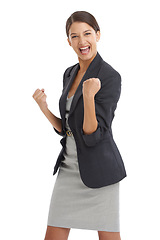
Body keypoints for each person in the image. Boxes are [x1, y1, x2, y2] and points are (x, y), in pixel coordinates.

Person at [32, 11, 127, 240]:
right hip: (69, 168)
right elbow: (67, 128)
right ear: (68, 41)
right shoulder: (70, 73)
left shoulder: (110, 76)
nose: (82, 41)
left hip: (99, 171)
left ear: (98, 35)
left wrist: (88, 98)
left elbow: (93, 135)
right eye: (74, 36)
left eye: (87, 34)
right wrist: (44, 108)